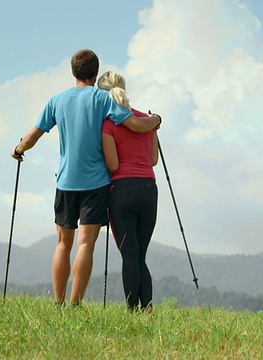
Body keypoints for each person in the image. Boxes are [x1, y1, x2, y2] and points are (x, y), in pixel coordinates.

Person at [10, 50, 162, 306]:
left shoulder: (56, 100)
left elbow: (33, 136)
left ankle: (58, 303)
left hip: (66, 182)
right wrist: (156, 120)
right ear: (95, 72)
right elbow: (136, 126)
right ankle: (75, 304)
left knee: (62, 243)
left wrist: (18, 150)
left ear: (73, 72)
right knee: (86, 244)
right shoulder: (103, 99)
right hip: (97, 184)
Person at [97, 70, 159, 313]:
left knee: (129, 254)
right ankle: (148, 308)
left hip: (122, 191)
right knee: (141, 254)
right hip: (148, 189)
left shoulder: (107, 124)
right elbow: (153, 159)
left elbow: (112, 165)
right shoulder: (148, 120)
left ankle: (133, 311)